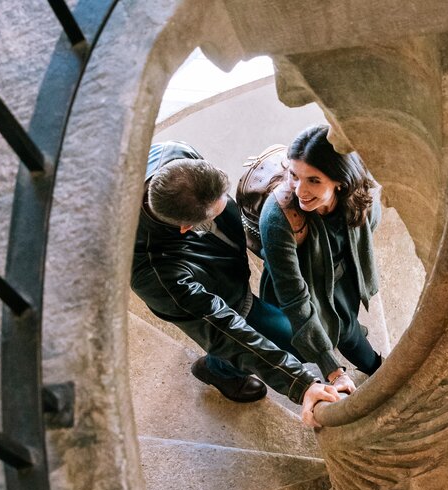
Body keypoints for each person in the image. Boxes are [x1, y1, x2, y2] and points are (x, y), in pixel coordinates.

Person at [130, 141, 344, 427]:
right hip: (225, 300)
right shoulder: (159, 277)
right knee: (292, 343)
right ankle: (218, 370)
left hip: (227, 273)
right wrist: (301, 383)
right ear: (187, 229)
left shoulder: (174, 153)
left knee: (298, 325)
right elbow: (224, 329)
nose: (228, 204)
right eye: (216, 215)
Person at [259, 125, 383, 392]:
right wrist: (332, 369)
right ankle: (220, 366)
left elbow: (369, 228)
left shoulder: (361, 193)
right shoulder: (277, 218)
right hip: (300, 280)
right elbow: (294, 298)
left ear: (341, 181)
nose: (300, 190)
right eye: (294, 175)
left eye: (313, 180)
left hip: (341, 276)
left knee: (345, 327)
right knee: (296, 344)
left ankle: (375, 365)